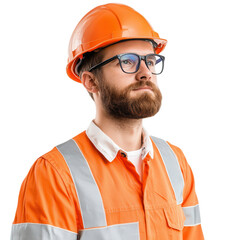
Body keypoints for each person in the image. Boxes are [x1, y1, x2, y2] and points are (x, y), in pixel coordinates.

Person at [11, 3, 204, 240]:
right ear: (91, 81)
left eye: (151, 61)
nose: (145, 72)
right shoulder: (54, 174)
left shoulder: (176, 163)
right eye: (127, 61)